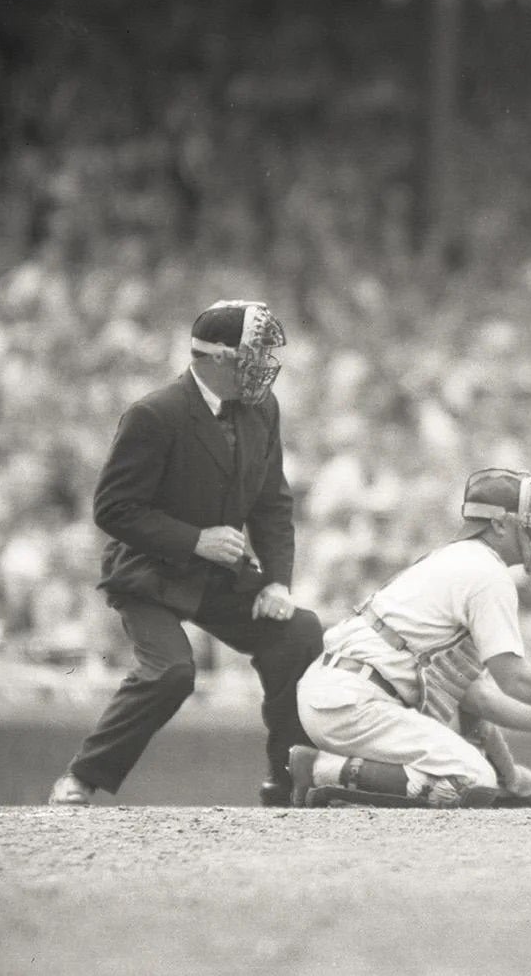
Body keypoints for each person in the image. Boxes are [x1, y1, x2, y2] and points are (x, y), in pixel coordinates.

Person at [48, 300, 324, 808]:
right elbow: (113, 509)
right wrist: (193, 539)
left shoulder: (264, 408)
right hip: (150, 573)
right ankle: (82, 777)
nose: (265, 364)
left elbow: (272, 503)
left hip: (219, 576)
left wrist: (277, 582)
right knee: (172, 673)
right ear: (217, 358)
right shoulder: (154, 414)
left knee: (300, 633)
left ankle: (286, 779)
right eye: (254, 353)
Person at [291, 468, 531, 809]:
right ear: (499, 524)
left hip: (341, 694)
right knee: (469, 778)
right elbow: (513, 679)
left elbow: (478, 698)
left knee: (469, 752)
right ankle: (323, 770)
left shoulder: (456, 562)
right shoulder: (487, 574)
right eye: (527, 520)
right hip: (355, 702)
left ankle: (509, 791)